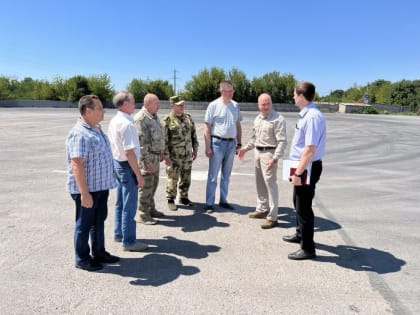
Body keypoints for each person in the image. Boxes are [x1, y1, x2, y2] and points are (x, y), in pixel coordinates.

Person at [66, 95, 119, 271]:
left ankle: (99, 252)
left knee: (98, 222)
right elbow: (77, 164)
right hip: (88, 190)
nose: (103, 111)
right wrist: (84, 193)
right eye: (100, 108)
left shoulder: (96, 129)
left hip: (100, 188)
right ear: (88, 111)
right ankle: (81, 258)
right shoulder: (79, 133)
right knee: (84, 225)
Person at [282, 81, 326, 260]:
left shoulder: (312, 117)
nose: (293, 97)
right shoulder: (306, 115)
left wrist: (298, 173)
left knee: (304, 207)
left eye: (294, 94)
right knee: (297, 202)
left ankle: (308, 248)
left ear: (301, 96)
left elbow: (310, 149)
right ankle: (300, 234)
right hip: (302, 165)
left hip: (307, 167)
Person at [237, 93, 287, 229]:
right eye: (263, 104)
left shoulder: (278, 119)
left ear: (271, 104)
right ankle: (262, 209)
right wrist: (245, 149)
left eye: (268, 103)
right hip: (257, 152)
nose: (265, 107)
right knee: (259, 183)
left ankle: (273, 217)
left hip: (269, 154)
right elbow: (254, 138)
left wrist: (275, 158)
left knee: (271, 185)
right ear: (258, 105)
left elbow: (282, 141)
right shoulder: (258, 118)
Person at [108, 91, 148, 251]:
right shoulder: (127, 124)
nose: (134, 104)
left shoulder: (115, 120)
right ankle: (129, 241)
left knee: (120, 203)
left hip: (118, 164)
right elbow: (130, 152)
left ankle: (119, 234)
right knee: (129, 207)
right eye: (132, 102)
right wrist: (138, 175)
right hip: (126, 166)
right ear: (124, 104)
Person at [204, 80, 242, 213]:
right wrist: (208, 147)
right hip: (217, 144)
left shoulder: (235, 105)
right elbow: (207, 127)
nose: (231, 93)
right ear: (222, 91)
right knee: (213, 175)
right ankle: (209, 203)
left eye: (232, 91)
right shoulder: (213, 105)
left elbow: (238, 125)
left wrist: (239, 143)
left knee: (227, 175)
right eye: (228, 91)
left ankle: (223, 200)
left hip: (231, 144)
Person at [134, 93, 170, 225]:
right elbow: (141, 143)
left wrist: (161, 153)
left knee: (153, 185)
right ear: (147, 104)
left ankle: (150, 208)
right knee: (146, 186)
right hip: (147, 159)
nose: (159, 106)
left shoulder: (154, 116)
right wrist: (147, 162)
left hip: (155, 156)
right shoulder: (141, 119)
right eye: (157, 103)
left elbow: (158, 136)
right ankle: (142, 214)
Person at [161, 95, 199, 211]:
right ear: (172, 106)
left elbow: (193, 135)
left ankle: (184, 197)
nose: (182, 106)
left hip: (187, 154)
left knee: (186, 177)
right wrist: (166, 156)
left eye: (183, 104)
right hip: (174, 156)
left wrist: (195, 148)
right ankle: (171, 199)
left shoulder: (188, 118)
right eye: (179, 105)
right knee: (173, 178)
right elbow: (164, 140)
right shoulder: (167, 120)